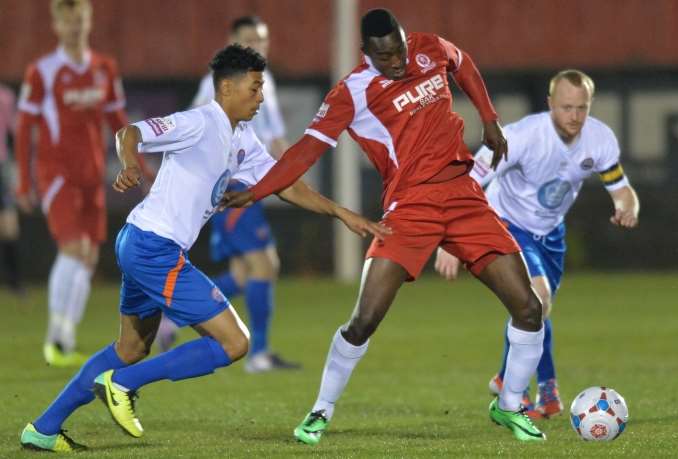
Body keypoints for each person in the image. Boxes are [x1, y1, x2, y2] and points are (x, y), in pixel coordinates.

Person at [19, 44, 389, 453]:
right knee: (234, 343)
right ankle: (122, 384)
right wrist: (128, 165)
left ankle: (44, 428)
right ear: (226, 88)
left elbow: (285, 184)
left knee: (132, 347)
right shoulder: (200, 122)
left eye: (262, 88)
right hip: (153, 247)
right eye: (254, 88)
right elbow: (131, 132)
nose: (261, 98)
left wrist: (341, 213)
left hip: (142, 242)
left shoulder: (242, 139)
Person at [223, 9, 547, 443]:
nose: (397, 63)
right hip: (410, 208)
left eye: (399, 51)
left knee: (528, 308)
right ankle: (321, 410)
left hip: (464, 195)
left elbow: (462, 62)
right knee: (364, 320)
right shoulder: (351, 92)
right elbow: (303, 152)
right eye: (385, 57)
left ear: (405, 40)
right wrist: (259, 190)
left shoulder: (429, 48)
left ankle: (510, 407)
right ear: (365, 54)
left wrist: (489, 118)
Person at [435, 69, 640, 419]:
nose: (574, 116)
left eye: (581, 108)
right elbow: (470, 180)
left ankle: (528, 385)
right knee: (536, 299)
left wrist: (626, 207)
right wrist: (449, 238)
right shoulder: (521, 137)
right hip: (507, 223)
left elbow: (621, 188)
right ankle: (522, 391)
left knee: (535, 310)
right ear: (549, 105)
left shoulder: (599, 139)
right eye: (566, 107)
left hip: (551, 234)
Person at [156, 15, 298, 373]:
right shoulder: (215, 86)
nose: (258, 46)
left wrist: (294, 170)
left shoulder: (266, 82)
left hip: (253, 182)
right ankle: (260, 354)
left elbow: (275, 136)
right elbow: (193, 131)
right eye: (250, 39)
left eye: (262, 40)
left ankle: (169, 316)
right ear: (234, 41)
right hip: (233, 185)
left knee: (241, 275)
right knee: (265, 264)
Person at [15, 0, 152, 367]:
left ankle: (66, 338)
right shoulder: (42, 71)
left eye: (81, 20)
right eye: (68, 21)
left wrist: (140, 164)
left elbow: (118, 119)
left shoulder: (104, 68)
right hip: (57, 175)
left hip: (92, 176)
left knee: (89, 256)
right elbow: (26, 125)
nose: (75, 27)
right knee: (74, 249)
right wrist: (22, 180)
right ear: (57, 25)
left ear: (88, 22)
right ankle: (55, 338)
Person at [0, 83, 23, 294]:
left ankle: (14, 282)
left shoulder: (5, 96)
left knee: (9, 226)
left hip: (1, 168)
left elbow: (14, 132)